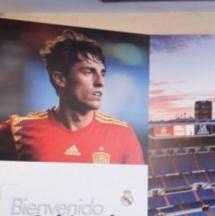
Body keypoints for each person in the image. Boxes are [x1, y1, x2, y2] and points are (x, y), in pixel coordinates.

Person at [0, 29, 143, 164]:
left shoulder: (123, 133)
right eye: (88, 72)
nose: (100, 82)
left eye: (102, 73)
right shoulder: (16, 129)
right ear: (60, 79)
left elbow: (132, 188)